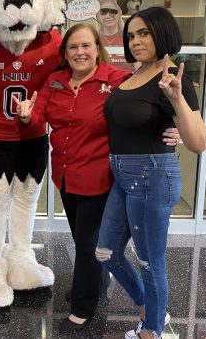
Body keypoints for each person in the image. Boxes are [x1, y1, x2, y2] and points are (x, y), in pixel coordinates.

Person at [13, 23, 180, 333]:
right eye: (73, 47)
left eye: (86, 46)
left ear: (97, 49)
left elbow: (145, 108)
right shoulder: (56, 81)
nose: (80, 52)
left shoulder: (116, 80)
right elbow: (40, 115)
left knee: (90, 245)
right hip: (65, 176)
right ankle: (94, 284)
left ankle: (84, 306)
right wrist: (26, 114)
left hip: (99, 177)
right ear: (65, 53)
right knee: (83, 239)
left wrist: (173, 128)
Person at [96, 6, 206, 339]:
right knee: (106, 253)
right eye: (131, 35)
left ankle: (152, 331)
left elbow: (198, 142)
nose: (135, 40)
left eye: (144, 33)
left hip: (151, 176)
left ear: (163, 33)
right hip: (121, 175)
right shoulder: (135, 74)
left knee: (149, 262)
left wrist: (176, 101)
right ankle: (151, 306)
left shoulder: (175, 78)